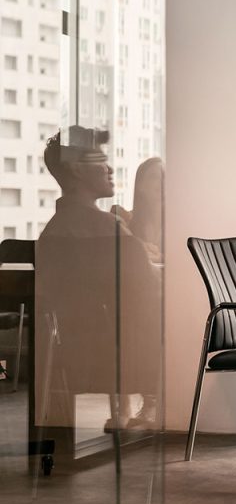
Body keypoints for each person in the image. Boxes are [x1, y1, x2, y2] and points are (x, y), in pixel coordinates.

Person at [36, 127, 162, 433]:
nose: (109, 168)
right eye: (100, 160)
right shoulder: (114, 235)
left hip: (71, 360)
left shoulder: (50, 236)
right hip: (127, 362)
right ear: (78, 170)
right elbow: (152, 300)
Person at [113, 156, 164, 264]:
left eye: (165, 176)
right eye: (154, 176)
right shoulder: (126, 222)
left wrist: (162, 259)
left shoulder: (180, 224)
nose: (162, 180)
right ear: (140, 186)